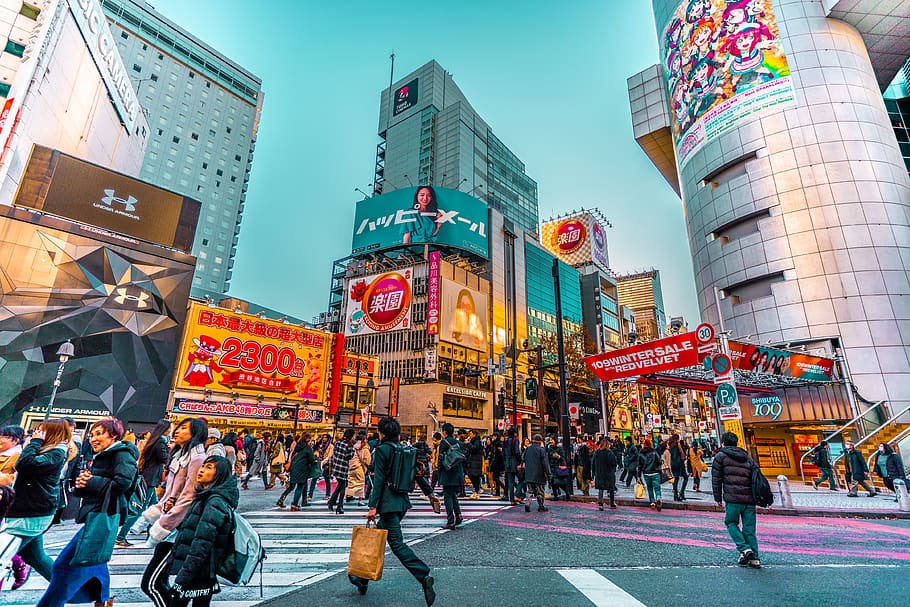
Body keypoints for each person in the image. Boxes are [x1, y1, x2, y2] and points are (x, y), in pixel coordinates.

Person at [36, 418, 137, 607]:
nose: (93, 439)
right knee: (93, 561)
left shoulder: (122, 454)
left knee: (65, 565)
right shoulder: (104, 454)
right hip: (96, 514)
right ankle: (104, 599)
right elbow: (94, 485)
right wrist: (82, 485)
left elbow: (123, 483)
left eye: (99, 433)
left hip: (104, 515)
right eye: (91, 435)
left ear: (113, 434)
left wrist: (90, 482)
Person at [348, 417, 435, 605]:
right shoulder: (405, 449)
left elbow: (378, 479)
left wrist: (373, 507)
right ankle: (362, 580)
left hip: (387, 505)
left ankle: (423, 575)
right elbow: (417, 474)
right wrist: (429, 493)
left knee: (396, 544)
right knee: (379, 538)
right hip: (402, 502)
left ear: (382, 433)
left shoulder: (382, 450)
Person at [140, 418, 208, 607]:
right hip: (170, 523)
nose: (177, 431)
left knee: (151, 584)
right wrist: (153, 515)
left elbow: (188, 497)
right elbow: (171, 493)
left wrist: (164, 524)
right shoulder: (180, 455)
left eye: (184, 429)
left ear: (196, 434)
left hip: (178, 528)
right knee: (160, 582)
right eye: (178, 427)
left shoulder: (197, 459)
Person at [6, 420, 71, 587]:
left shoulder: (56, 452)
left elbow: (24, 465)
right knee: (35, 557)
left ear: (51, 433)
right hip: (31, 510)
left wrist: (34, 443)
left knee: (3, 553)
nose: (36, 434)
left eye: (41, 431)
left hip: (33, 513)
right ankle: (68, 589)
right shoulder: (48, 451)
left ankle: (70, 589)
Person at [167, 456, 238, 607]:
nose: (201, 470)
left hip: (199, 570)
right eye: (203, 466)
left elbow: (202, 544)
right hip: (202, 571)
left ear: (219, 474)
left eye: (209, 468)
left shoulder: (214, 502)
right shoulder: (205, 497)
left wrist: (183, 577)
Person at [116, 419, 171, 548]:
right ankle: (120, 536)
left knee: (155, 508)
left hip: (148, 478)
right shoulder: (160, 442)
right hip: (150, 480)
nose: (171, 431)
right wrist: (169, 449)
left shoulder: (154, 441)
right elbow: (164, 459)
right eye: (169, 428)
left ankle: (151, 536)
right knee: (139, 509)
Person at [712, 432, 761, 569]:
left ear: (723, 443)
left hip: (732, 498)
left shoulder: (720, 457)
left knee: (731, 522)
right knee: (749, 529)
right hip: (749, 498)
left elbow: (717, 479)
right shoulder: (747, 457)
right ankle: (755, 558)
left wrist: (718, 498)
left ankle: (745, 549)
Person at [278, 432, 314, 510]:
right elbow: (311, 459)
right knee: (300, 487)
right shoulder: (308, 448)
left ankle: (282, 499)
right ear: (308, 440)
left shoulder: (297, 446)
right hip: (302, 469)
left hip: (294, 468)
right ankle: (294, 504)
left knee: (292, 485)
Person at [437, 423, 464, 529]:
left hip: (447, 471)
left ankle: (450, 520)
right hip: (457, 472)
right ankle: (458, 515)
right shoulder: (458, 443)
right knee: (453, 495)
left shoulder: (444, 442)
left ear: (444, 432)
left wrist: (439, 469)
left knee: (447, 495)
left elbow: (441, 458)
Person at [327, 429, 355, 514]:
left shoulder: (338, 442)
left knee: (341, 486)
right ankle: (339, 506)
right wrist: (353, 450)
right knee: (342, 487)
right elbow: (349, 456)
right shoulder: (349, 445)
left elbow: (335, 453)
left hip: (336, 467)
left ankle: (332, 502)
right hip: (343, 468)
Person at [522, 434, 550, 513]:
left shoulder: (527, 449)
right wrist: (549, 474)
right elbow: (545, 463)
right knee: (540, 491)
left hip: (529, 473)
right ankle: (541, 506)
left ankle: (528, 503)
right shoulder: (541, 450)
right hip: (539, 473)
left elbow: (523, 458)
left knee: (530, 490)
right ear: (540, 441)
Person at [345, 431, 371, 505]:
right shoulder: (365, 449)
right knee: (360, 483)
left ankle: (348, 495)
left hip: (351, 466)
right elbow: (367, 460)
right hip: (359, 467)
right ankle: (360, 500)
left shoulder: (354, 447)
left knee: (351, 482)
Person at [592, 437, 618, 510]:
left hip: (599, 473)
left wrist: (593, 474)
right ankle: (612, 503)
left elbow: (593, 463)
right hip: (608, 473)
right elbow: (614, 463)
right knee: (611, 488)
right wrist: (613, 471)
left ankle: (600, 503)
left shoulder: (596, 452)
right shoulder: (609, 452)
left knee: (601, 489)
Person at [639, 441, 663, 511]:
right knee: (657, 488)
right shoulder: (654, 452)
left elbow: (639, 465)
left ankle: (652, 502)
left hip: (646, 473)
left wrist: (638, 475)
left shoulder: (641, 453)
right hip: (655, 473)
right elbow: (659, 461)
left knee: (650, 488)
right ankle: (658, 498)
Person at [668, 434, 689, 501]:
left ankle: (675, 495)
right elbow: (683, 454)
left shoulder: (670, 446)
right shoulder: (679, 445)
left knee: (675, 479)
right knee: (685, 478)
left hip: (672, 464)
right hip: (679, 463)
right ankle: (682, 492)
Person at [464, 429, 484, 499]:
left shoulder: (477, 441)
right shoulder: (473, 441)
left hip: (476, 462)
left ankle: (476, 491)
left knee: (475, 476)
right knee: (471, 476)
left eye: (471, 434)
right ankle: (476, 490)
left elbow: (474, 448)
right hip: (472, 461)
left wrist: (468, 443)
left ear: (474, 434)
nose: (470, 435)